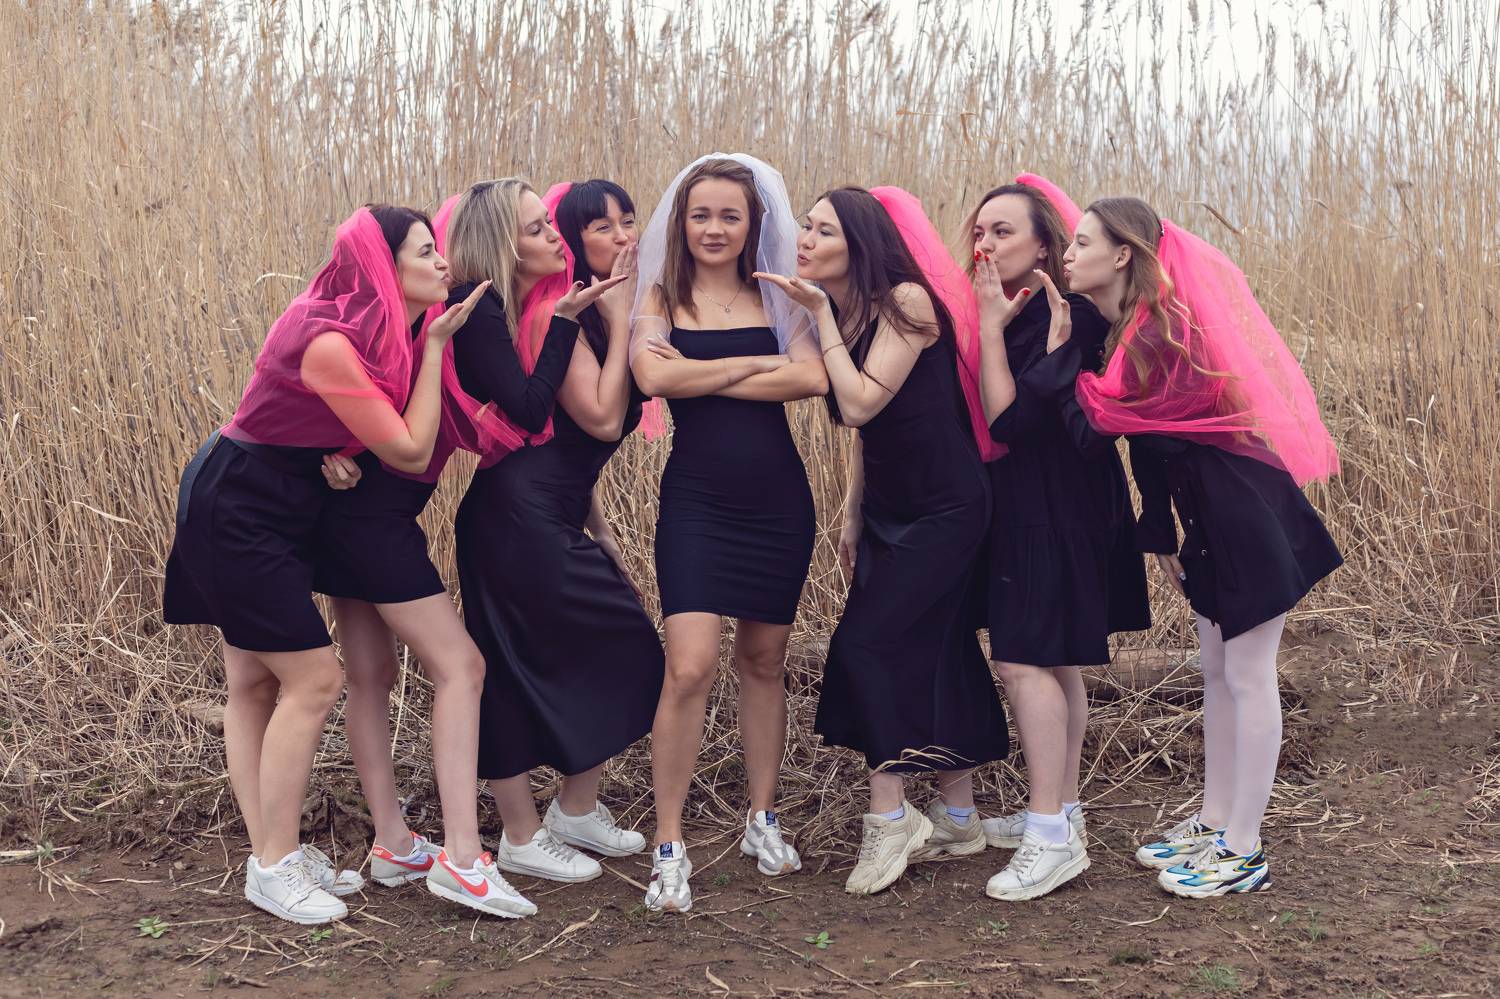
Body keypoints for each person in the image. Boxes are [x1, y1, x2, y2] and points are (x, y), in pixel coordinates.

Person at [163, 206, 490, 924]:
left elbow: (323, 424)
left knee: (253, 683)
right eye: (424, 252)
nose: (443, 262)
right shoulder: (331, 341)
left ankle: (270, 853)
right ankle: (275, 866)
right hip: (236, 506)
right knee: (313, 678)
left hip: (280, 503)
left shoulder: (379, 336)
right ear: (382, 268)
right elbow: (410, 449)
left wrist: (335, 456)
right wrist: (437, 347)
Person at [1066, 197, 1342, 897]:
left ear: (1122, 254)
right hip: (1208, 515)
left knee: (1248, 673)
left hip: (1243, 511)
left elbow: (1098, 423)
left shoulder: (1162, 332)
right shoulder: (1132, 329)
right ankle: (1215, 821)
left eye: (1082, 242)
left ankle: (1244, 849)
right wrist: (1162, 530)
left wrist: (1052, 352)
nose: (1068, 254)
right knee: (1217, 668)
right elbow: (1151, 447)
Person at [767, 185, 1006, 895]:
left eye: (824, 231)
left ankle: (890, 817)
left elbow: (861, 400)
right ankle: (959, 818)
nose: (806, 239)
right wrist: (852, 510)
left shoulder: (907, 301)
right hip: (888, 507)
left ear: (860, 243)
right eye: (805, 226)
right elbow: (865, 434)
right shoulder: (848, 311)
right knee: (942, 645)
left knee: (868, 643)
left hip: (946, 506)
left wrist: (817, 316)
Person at [629, 153, 828, 913]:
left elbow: (811, 378)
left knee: (764, 660)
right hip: (698, 501)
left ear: (753, 224)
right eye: (701, 215)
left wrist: (703, 369)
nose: (714, 228)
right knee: (689, 666)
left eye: (730, 216)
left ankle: (762, 818)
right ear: (682, 222)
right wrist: (757, 362)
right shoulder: (659, 294)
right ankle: (669, 843)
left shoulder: (779, 292)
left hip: (777, 500)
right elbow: (653, 380)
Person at [453, 178, 663, 885]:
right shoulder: (556, 314)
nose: (624, 236)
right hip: (516, 517)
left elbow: (566, 446)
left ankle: (574, 809)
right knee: (562, 656)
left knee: (606, 648)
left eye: (629, 220)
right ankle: (520, 835)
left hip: (549, 511)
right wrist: (623, 313)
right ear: (575, 242)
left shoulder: (589, 313)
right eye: (602, 227)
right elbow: (599, 421)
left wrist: (599, 528)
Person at [964, 176, 1150, 902]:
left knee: (1021, 659)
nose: (984, 243)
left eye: (1003, 230)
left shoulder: (1067, 312)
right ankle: (1062, 811)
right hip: (1039, 499)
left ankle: (1048, 836)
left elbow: (1008, 422)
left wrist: (987, 328)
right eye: (979, 231)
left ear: (1045, 243)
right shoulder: (1025, 309)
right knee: (1054, 657)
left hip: (1057, 503)